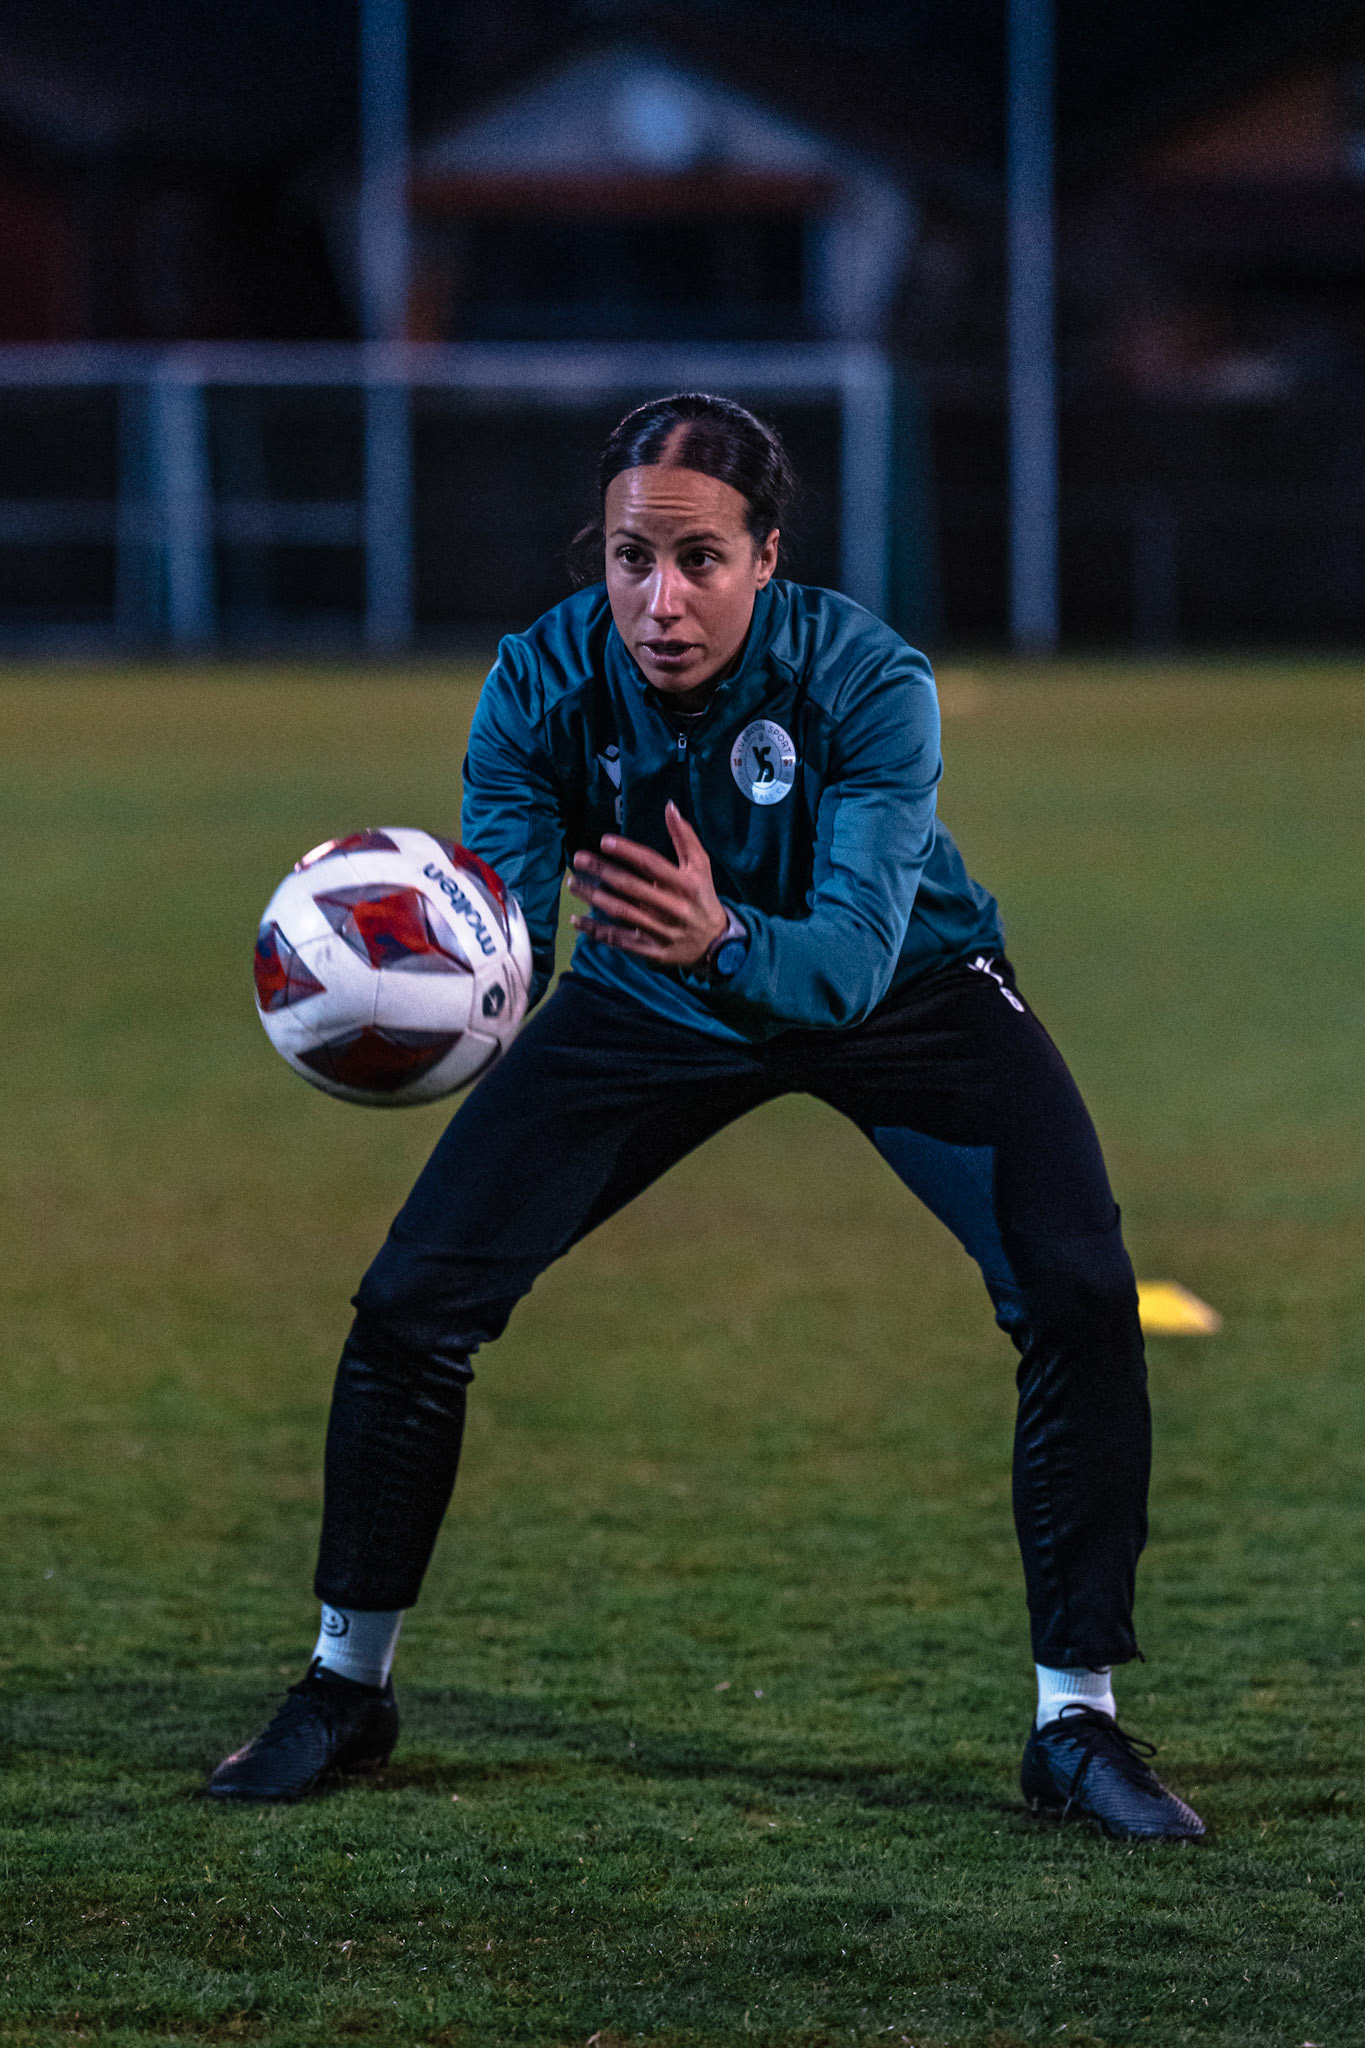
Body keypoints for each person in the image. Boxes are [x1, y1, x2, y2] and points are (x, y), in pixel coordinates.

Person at [209, 393, 1202, 1840]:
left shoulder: (868, 682)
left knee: (1074, 1289)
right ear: (596, 558)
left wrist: (725, 935)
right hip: (647, 1001)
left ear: (766, 559)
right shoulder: (538, 684)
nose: (658, 602)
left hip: (900, 995)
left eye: (698, 560)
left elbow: (849, 956)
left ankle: (1073, 1726)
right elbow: (506, 939)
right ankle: (343, 1688)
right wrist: (414, 985)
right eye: (628, 560)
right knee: (414, 1302)